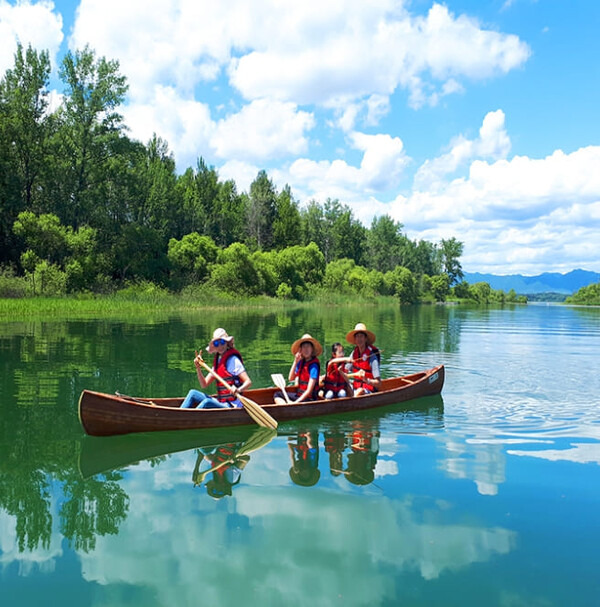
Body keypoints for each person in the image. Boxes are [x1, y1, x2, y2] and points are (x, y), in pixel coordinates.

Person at [180, 328, 252, 409]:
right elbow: (204, 384)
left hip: (232, 404)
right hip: (221, 402)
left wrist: (238, 389)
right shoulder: (218, 363)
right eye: (217, 343)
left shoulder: (233, 360)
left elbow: (248, 382)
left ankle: (185, 418)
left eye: (222, 342)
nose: (220, 346)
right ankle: (179, 414)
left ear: (227, 343)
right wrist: (198, 368)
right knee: (192, 393)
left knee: (207, 402)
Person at [274, 334, 322, 404]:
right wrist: (295, 361)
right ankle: (286, 408)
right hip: (299, 396)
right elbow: (291, 378)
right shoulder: (301, 363)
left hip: (309, 399)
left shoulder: (314, 366)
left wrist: (295, 403)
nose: (306, 349)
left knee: (278, 395)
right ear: (301, 350)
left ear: (312, 349)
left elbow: (309, 391)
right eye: (304, 347)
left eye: (308, 346)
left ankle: (287, 409)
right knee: (277, 394)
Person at [345, 323, 381, 396]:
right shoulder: (354, 354)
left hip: (368, 390)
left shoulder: (372, 357)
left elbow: (379, 384)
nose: (359, 339)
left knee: (360, 391)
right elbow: (345, 371)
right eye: (357, 337)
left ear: (365, 339)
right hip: (355, 388)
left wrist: (367, 380)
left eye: (361, 336)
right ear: (355, 339)